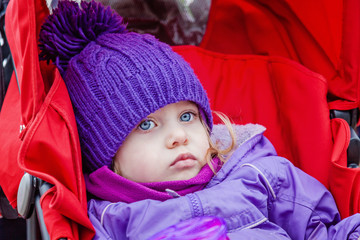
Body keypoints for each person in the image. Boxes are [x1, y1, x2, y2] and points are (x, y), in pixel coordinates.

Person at [38, 1, 360, 239]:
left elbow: (324, 231)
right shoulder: (109, 220)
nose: (179, 135)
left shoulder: (258, 172)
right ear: (107, 156)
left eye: (188, 116)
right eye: (147, 124)